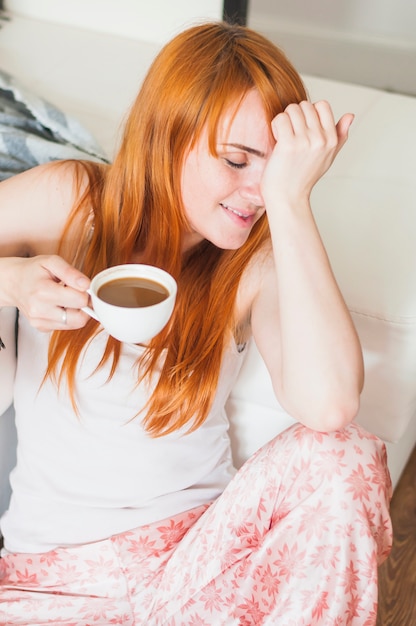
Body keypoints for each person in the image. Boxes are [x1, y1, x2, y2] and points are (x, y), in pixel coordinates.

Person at [0, 21, 392, 625]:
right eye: (237, 160)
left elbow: (331, 406)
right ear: (169, 137)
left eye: (275, 165)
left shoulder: (252, 264)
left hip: (200, 563)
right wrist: (9, 280)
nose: (255, 190)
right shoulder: (71, 202)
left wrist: (292, 201)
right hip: (55, 585)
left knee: (344, 456)